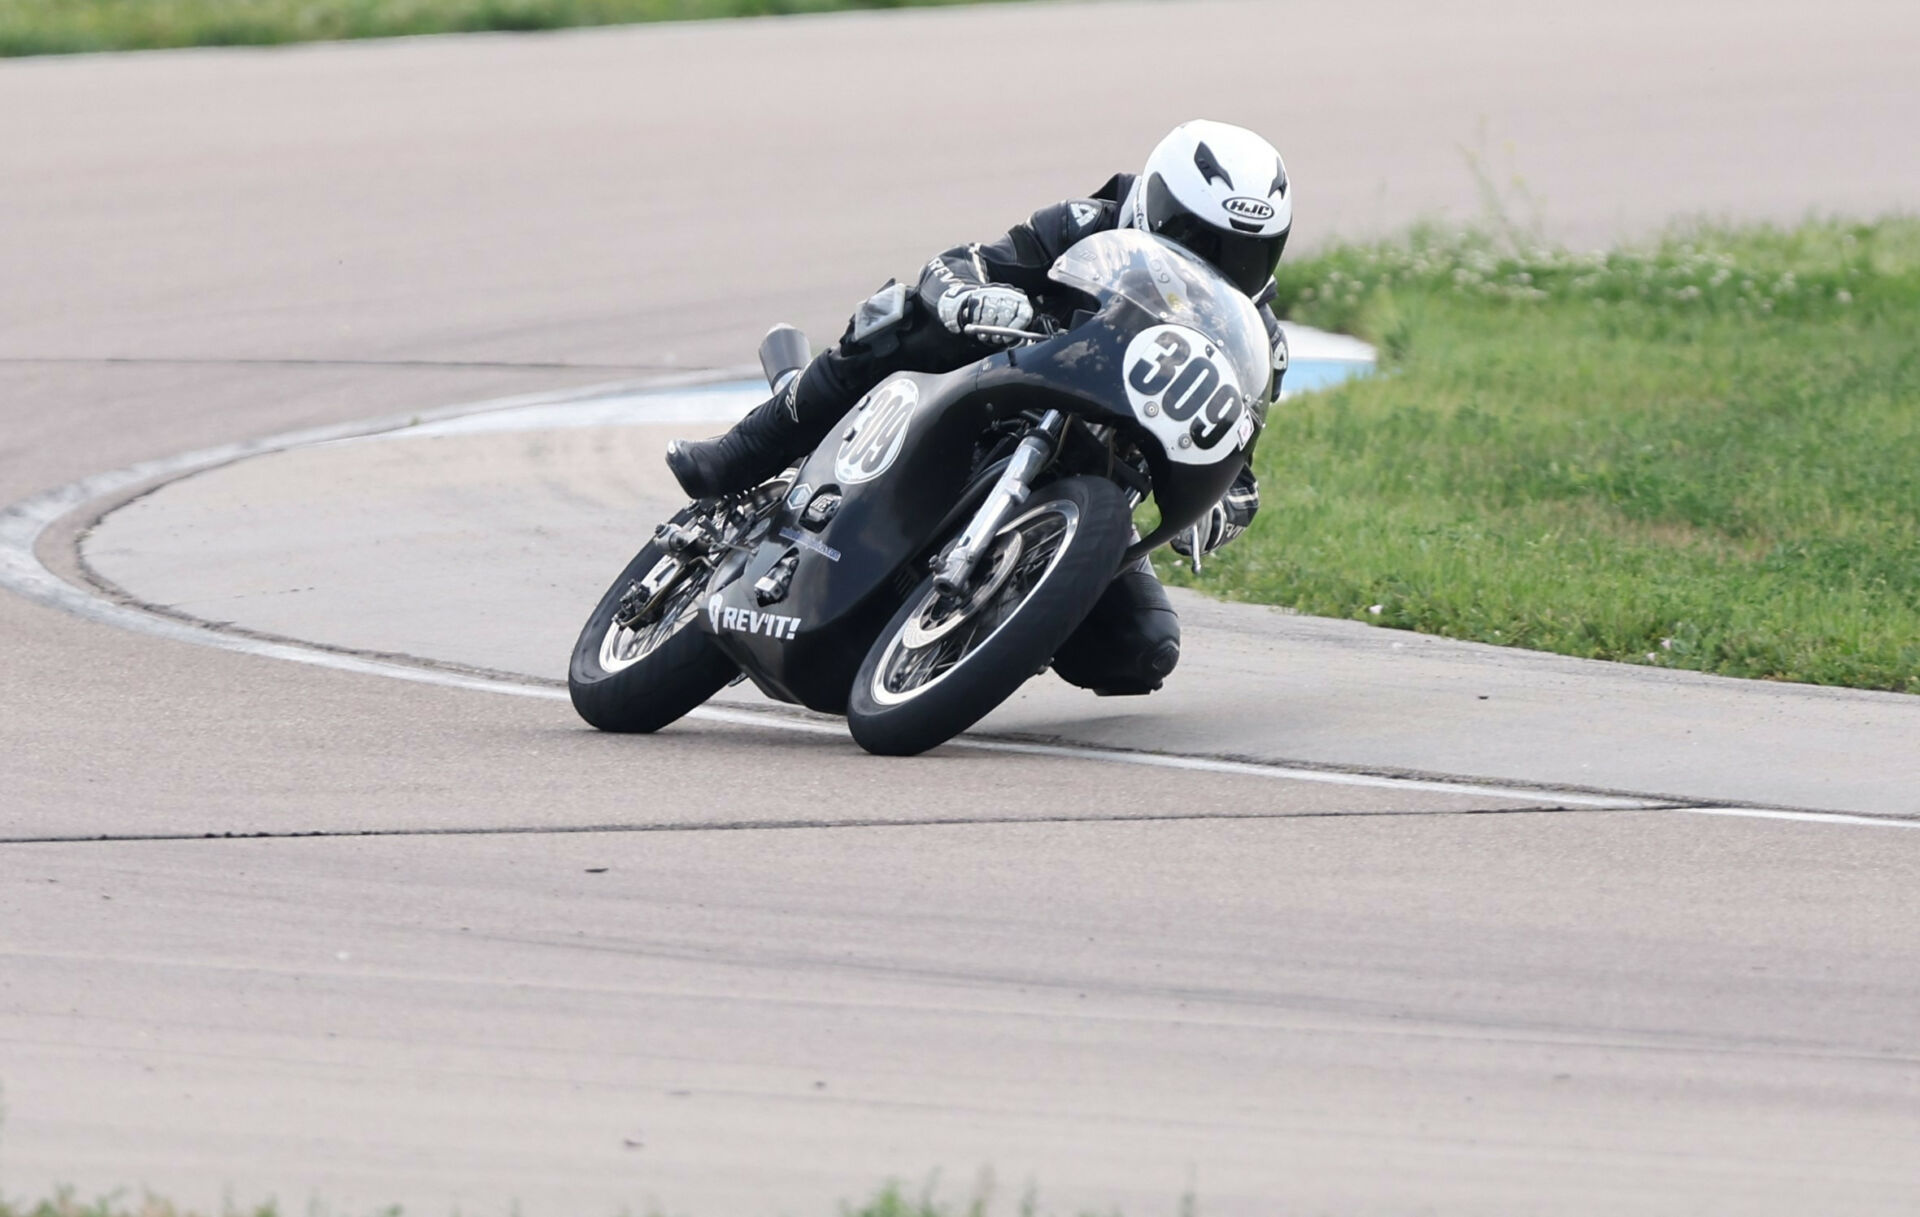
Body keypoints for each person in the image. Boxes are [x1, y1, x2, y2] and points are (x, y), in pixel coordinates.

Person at [668, 120, 1293, 696]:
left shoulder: (1258, 342)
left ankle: (993, 620)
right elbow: (957, 265)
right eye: (1194, 237)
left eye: (1244, 254)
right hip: (995, 389)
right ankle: (741, 452)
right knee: (903, 319)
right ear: (1152, 203)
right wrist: (973, 300)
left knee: (1141, 650)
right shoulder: (1087, 223)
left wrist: (1221, 507)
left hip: (1094, 475)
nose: (1213, 263)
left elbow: (1240, 462)